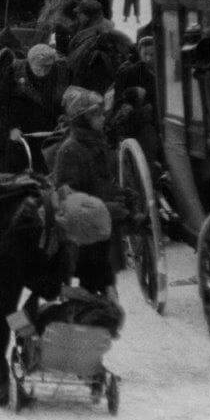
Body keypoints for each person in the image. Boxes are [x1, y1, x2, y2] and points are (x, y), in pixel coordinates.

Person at [0, 173, 111, 406]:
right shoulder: (30, 225)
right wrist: (54, 290)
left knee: (0, 310)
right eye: (80, 239)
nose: (80, 244)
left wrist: (60, 284)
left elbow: (47, 265)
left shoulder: (59, 213)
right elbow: (24, 274)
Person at [51, 86, 133, 299]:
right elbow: (69, 198)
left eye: (101, 113)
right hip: (84, 235)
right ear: (82, 120)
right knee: (92, 284)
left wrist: (120, 195)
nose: (103, 118)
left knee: (101, 281)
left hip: (98, 228)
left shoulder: (96, 142)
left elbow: (103, 180)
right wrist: (109, 208)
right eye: (96, 115)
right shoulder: (71, 150)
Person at [0, 43, 68, 172]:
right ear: (29, 62)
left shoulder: (60, 72)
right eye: (39, 68)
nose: (43, 72)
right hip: (21, 136)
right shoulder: (14, 72)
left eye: (47, 68)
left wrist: (64, 118)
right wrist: (11, 128)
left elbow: (66, 99)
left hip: (50, 135)